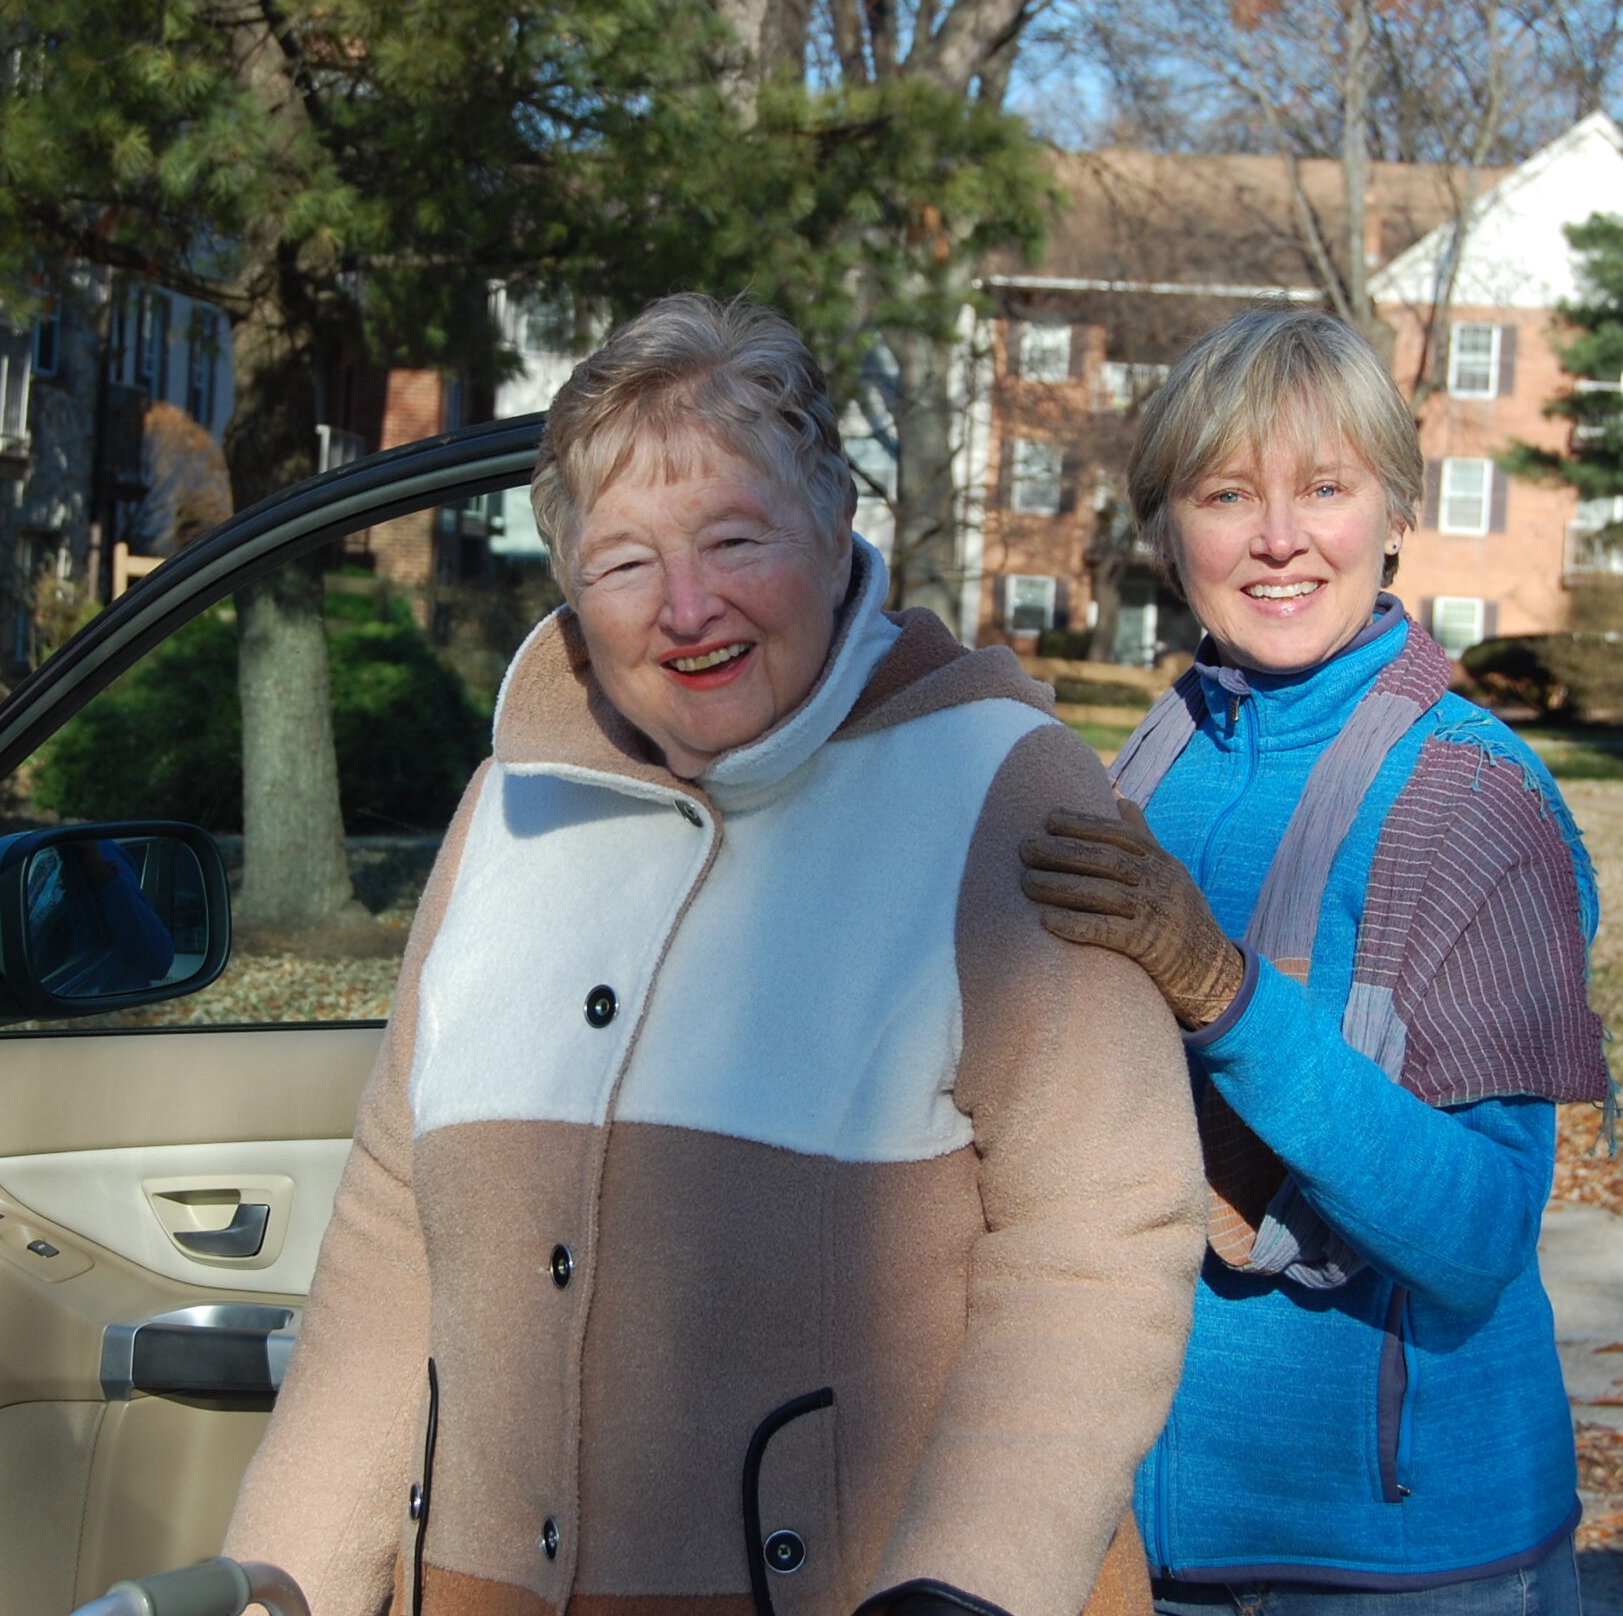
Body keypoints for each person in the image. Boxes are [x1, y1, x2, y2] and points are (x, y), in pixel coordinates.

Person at [222, 294, 1206, 1616]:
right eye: (624, 563)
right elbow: (394, 1245)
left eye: (735, 537)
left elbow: (1101, 1240)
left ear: (831, 520)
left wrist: (973, 1583)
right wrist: (277, 1579)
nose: (686, 607)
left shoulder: (1001, 787)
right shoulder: (503, 812)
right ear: (569, 588)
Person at [1020, 307, 1611, 1616]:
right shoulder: (1141, 769)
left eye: (1326, 488)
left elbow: (1477, 1233)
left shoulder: (1474, 801)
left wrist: (1223, 993)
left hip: (1398, 1565)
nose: (1279, 537)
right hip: (1130, 1546)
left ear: (1395, 510)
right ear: (1169, 530)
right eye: (1229, 493)